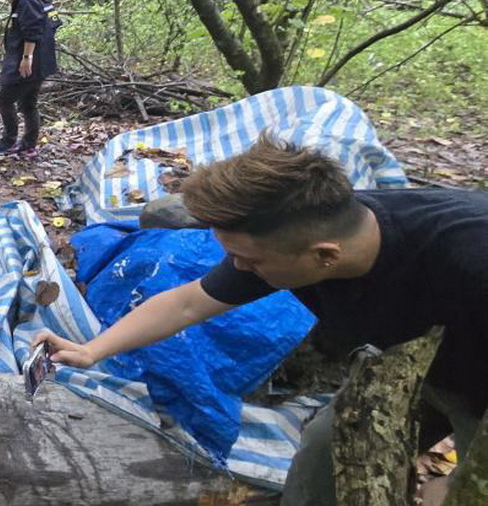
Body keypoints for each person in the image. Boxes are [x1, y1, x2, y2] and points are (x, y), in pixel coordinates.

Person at [34, 136, 488, 506]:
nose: (237, 269)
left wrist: (462, 488)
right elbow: (189, 302)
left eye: (245, 259)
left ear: (325, 257)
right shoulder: (295, 235)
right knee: (323, 453)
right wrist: (92, 349)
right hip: (409, 362)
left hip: (477, 388)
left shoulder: (470, 260)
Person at [0, 0, 61, 159]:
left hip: (28, 63)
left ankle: (9, 140)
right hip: (41, 61)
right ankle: (28, 145)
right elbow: (53, 23)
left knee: (4, 98)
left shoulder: (27, 0)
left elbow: (32, 30)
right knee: (28, 103)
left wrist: (27, 57)